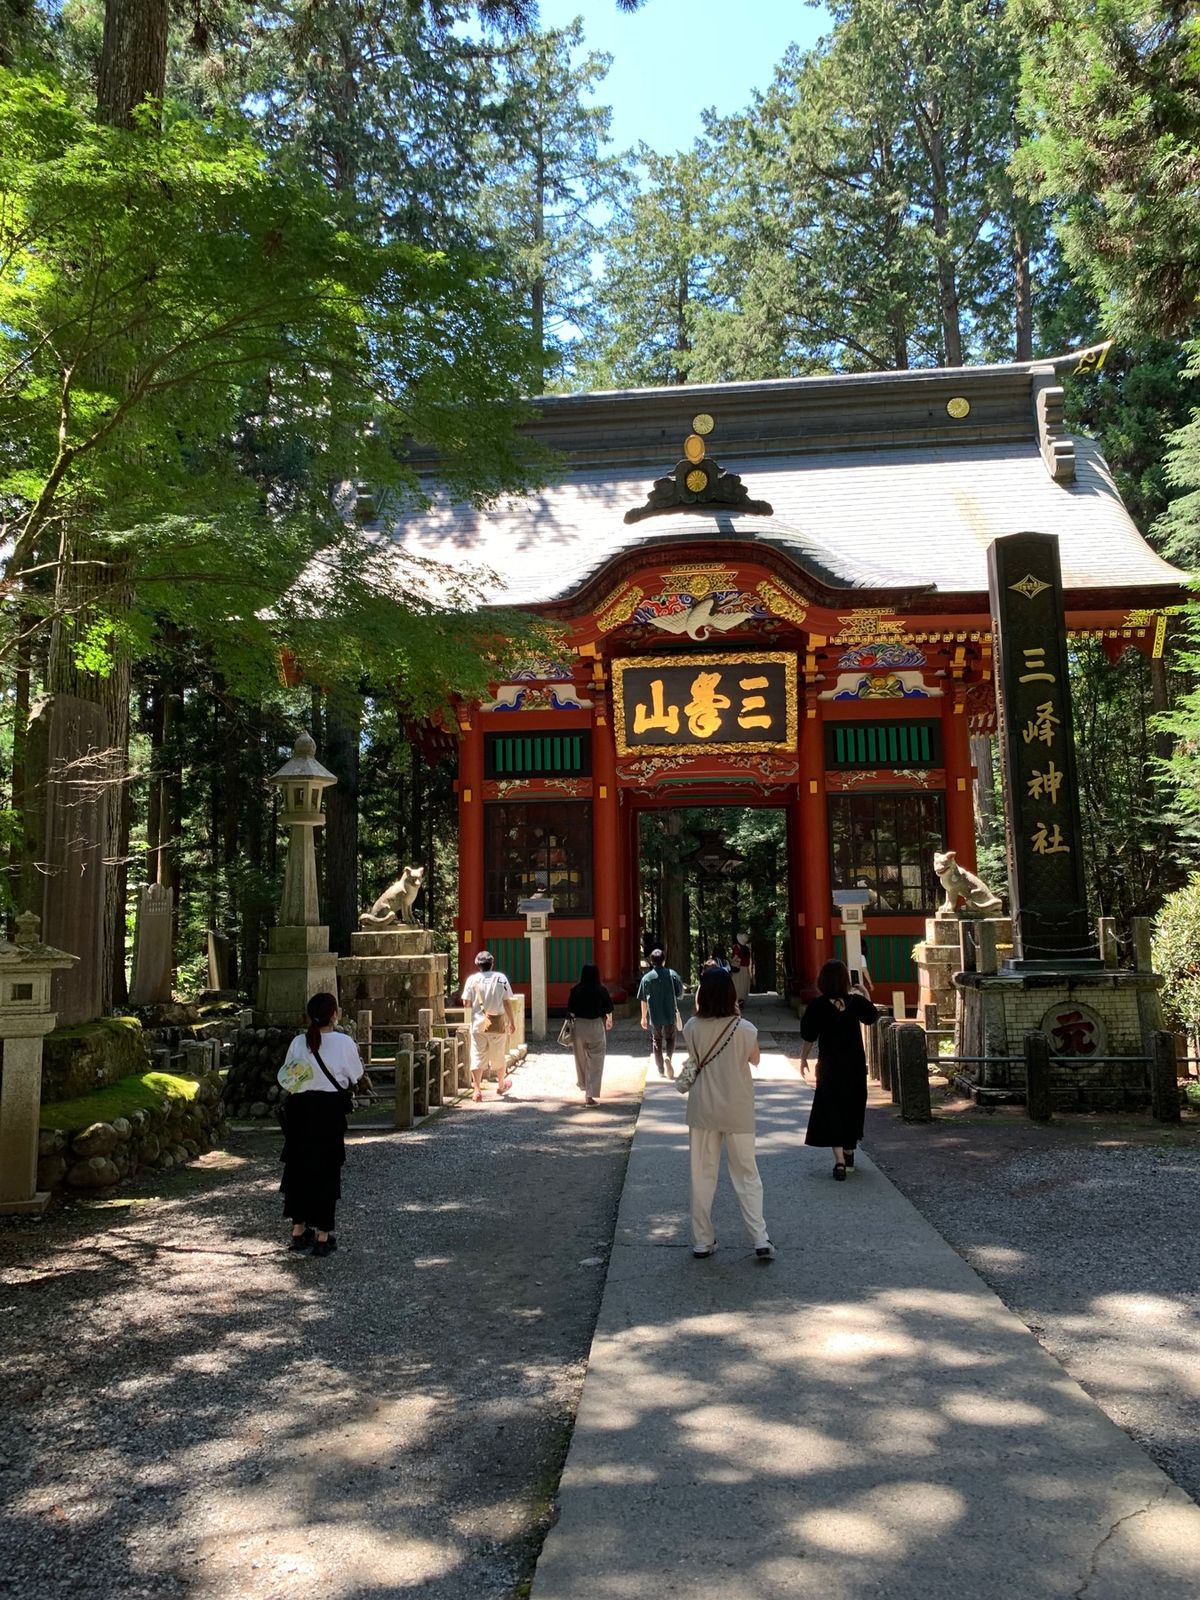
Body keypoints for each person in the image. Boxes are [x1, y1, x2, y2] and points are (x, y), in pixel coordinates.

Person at [681, 967, 775, 1263]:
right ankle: (759, 1237)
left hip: (703, 1108)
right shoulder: (744, 1028)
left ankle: (702, 1240)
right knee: (747, 1174)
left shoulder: (691, 1027)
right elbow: (756, 1059)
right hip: (738, 1109)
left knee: (702, 1176)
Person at [277, 992, 364, 1257]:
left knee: (297, 1170)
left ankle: (299, 1229)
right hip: (328, 1113)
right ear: (334, 1014)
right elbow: (355, 1075)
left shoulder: (298, 1043)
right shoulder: (343, 1042)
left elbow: (288, 1077)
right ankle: (324, 1235)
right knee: (326, 1171)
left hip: (300, 1112)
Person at [799, 959, 879, 1180]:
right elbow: (872, 1016)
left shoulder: (818, 1005)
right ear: (845, 981)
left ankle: (840, 1162)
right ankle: (850, 1150)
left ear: (822, 981)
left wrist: (804, 1059)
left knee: (831, 1109)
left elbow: (808, 1035)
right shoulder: (854, 1003)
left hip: (829, 1067)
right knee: (852, 1106)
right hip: (853, 1066)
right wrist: (864, 993)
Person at [461, 950, 516, 1102]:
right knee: (498, 1054)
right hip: (496, 1022)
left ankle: (477, 1090)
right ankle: (501, 1084)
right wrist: (512, 1021)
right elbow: (506, 1002)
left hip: (478, 1023)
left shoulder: (472, 980)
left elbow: (466, 1003)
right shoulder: (501, 978)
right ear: (492, 963)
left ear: (477, 964)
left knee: (477, 1055)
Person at [566, 963, 613, 1105]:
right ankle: (590, 1094)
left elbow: (569, 1010)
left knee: (580, 1060)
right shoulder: (601, 990)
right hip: (596, 1026)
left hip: (579, 1027)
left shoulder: (575, 990)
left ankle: (584, 1085)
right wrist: (609, 1019)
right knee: (596, 1060)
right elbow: (609, 1008)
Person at [637, 948, 684, 1078]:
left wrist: (643, 1017)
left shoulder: (646, 978)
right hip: (669, 1011)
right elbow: (679, 992)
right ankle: (668, 1057)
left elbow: (643, 999)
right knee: (671, 1038)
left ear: (651, 961)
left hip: (655, 1014)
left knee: (656, 1041)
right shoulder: (671, 974)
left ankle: (661, 1069)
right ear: (664, 960)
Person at [731, 930, 752, 1006]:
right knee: (743, 985)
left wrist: (730, 961)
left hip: (738, 968)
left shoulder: (737, 947)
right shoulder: (747, 949)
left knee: (737, 984)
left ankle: (737, 1000)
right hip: (745, 969)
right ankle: (741, 1000)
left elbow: (735, 957)